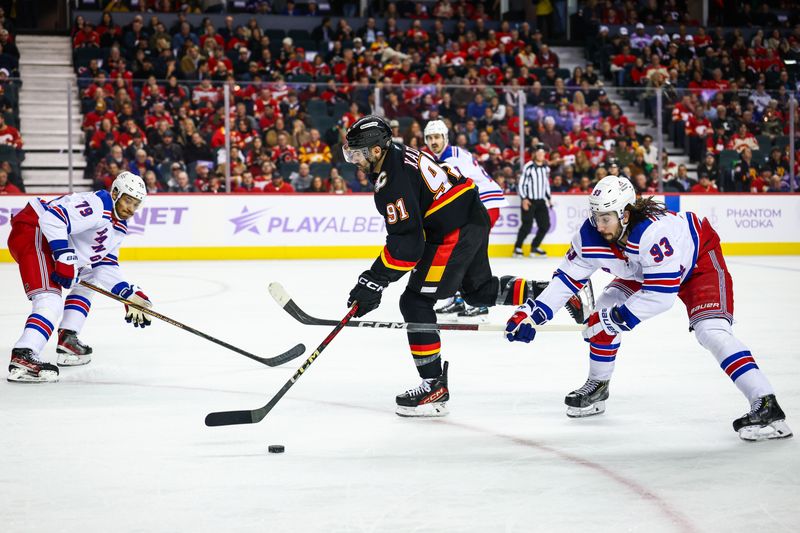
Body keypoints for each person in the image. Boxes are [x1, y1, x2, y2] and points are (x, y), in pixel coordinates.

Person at [504, 176, 792, 441]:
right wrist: (532, 314)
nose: (599, 225)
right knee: (602, 309)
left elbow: (661, 295)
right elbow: (565, 281)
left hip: (697, 263)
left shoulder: (654, 232)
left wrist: (612, 319)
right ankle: (598, 386)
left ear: (625, 214)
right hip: (644, 271)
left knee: (711, 332)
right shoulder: (590, 235)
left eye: (606, 218)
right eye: (595, 216)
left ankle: (766, 404)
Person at [342, 115, 590, 417]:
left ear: (376, 151)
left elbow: (408, 247)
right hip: (470, 214)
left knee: (416, 301)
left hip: (454, 229)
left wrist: (373, 280)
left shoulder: (391, 182)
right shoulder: (397, 155)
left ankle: (433, 385)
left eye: (358, 153)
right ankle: (559, 293)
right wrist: (377, 279)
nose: (355, 160)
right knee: (478, 291)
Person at [6, 172, 153, 383]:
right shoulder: (98, 204)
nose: (131, 208)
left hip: (47, 239)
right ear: (115, 193)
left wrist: (129, 293)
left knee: (90, 277)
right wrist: (65, 259)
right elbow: (52, 218)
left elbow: (104, 264)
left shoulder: (119, 226)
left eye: (136, 203)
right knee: (50, 301)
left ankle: (68, 338)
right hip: (33, 230)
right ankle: (24, 354)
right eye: (128, 200)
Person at [423, 119, 508, 318]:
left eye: (437, 137)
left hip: (485, 204)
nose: (433, 141)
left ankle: (479, 301)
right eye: (430, 138)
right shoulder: (445, 155)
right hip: (481, 204)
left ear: (445, 137)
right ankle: (459, 299)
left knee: (467, 253)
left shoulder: (451, 159)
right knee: (461, 253)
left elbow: (455, 189)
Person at [513, 145, 551, 257]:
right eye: (538, 153)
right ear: (535, 155)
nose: (540, 155)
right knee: (527, 225)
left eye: (542, 153)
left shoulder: (546, 168)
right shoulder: (528, 167)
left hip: (541, 201)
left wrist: (549, 198)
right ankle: (517, 247)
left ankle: (535, 246)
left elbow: (546, 184)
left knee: (545, 225)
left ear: (544, 155)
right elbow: (521, 184)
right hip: (529, 200)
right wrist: (524, 199)